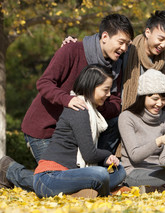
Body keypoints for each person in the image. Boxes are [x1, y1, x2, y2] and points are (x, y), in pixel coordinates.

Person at [21, 13, 134, 162]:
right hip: (46, 129)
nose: (124, 48)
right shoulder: (72, 50)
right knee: (54, 178)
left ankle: (102, 169)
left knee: (115, 120)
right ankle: (11, 170)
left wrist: (96, 103)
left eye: (127, 44)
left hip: (78, 131)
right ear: (105, 37)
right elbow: (44, 83)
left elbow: (114, 101)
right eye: (121, 42)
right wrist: (68, 100)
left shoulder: (116, 65)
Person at [25, 64, 124, 198]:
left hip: (72, 174)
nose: (108, 95)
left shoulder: (92, 112)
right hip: (49, 177)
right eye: (105, 90)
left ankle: (81, 192)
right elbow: (89, 155)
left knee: (120, 171)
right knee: (100, 174)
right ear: (91, 87)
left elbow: (91, 153)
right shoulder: (79, 110)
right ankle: (100, 192)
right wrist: (107, 153)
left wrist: (107, 158)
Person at [121, 10, 165, 110]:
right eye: (160, 39)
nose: (164, 45)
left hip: (153, 116)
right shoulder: (126, 51)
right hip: (125, 114)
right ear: (148, 32)